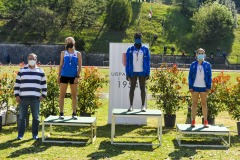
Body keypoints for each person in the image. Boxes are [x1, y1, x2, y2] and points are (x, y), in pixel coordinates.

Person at [14, 53, 47, 140]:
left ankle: (35, 135)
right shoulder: (22, 70)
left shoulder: (41, 71)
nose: (31, 60)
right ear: (27, 60)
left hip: (35, 98)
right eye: (29, 58)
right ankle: (20, 135)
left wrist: (43, 95)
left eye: (33, 58)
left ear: (36, 60)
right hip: (23, 98)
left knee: (36, 117)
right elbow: (17, 84)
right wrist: (16, 95)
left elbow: (44, 84)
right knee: (21, 117)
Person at [125, 32, 150, 112]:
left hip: (142, 72)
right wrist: (127, 73)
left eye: (139, 38)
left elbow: (148, 61)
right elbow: (127, 62)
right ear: (134, 39)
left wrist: (148, 72)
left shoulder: (145, 49)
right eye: (136, 39)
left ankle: (143, 106)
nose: (138, 40)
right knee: (132, 88)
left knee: (142, 88)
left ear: (141, 39)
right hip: (133, 72)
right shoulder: (130, 49)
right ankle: (131, 106)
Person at [58, 37, 82, 120]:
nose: (69, 43)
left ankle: (74, 113)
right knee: (62, 95)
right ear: (66, 44)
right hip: (64, 75)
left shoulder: (78, 53)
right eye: (68, 42)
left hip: (73, 77)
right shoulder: (63, 53)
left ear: (74, 43)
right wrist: (59, 76)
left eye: (71, 41)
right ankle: (61, 113)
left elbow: (80, 67)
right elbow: (61, 65)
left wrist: (77, 76)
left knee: (74, 95)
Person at [188, 48, 212, 128]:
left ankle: (205, 121)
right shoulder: (193, 64)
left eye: (202, 53)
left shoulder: (207, 65)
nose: (201, 54)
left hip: (204, 87)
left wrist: (208, 86)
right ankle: (193, 121)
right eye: (199, 53)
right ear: (196, 54)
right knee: (194, 104)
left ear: (204, 55)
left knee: (204, 104)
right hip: (195, 87)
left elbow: (209, 76)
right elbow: (190, 76)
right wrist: (190, 86)